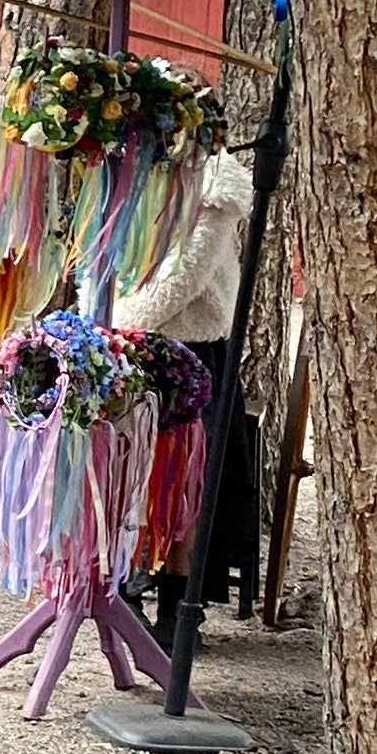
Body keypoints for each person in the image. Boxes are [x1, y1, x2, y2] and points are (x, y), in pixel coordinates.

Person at [117, 141, 258, 637]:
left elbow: (186, 276)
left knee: (183, 484)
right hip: (138, 345)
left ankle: (177, 612)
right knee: (133, 473)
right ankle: (128, 586)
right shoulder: (143, 178)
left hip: (189, 353)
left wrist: (120, 322)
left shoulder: (218, 189)